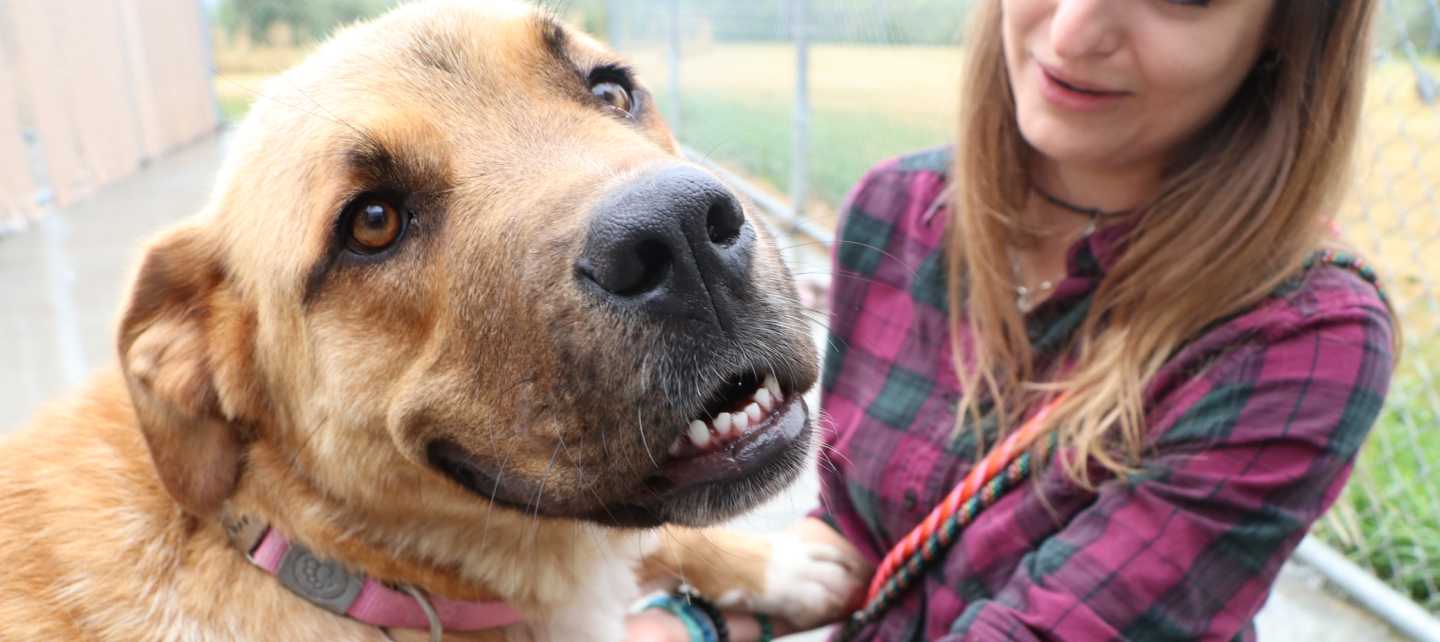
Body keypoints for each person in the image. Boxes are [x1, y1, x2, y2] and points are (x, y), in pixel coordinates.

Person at [629, 0, 1395, 639]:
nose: (1070, 32)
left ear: (1287, 33)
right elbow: (860, 540)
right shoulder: (896, 211)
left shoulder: (1301, 332)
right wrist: (683, 624)